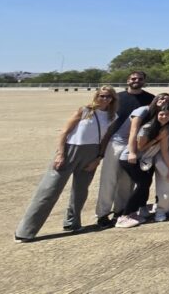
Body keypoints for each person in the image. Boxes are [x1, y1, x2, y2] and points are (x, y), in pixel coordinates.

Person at [16, 87, 118, 242]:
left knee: (80, 192)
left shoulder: (112, 116)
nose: (105, 99)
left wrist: (98, 158)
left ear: (113, 99)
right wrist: (60, 154)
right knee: (49, 190)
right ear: (96, 96)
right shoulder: (84, 110)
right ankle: (25, 231)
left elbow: (105, 139)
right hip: (70, 150)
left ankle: (72, 223)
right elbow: (64, 132)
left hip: (91, 153)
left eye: (109, 97)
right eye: (102, 96)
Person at [94, 71, 153, 228]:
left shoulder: (150, 99)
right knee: (108, 179)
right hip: (115, 142)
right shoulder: (116, 98)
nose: (136, 80)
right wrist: (102, 147)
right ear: (128, 80)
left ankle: (120, 211)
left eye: (140, 79)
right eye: (133, 78)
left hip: (135, 145)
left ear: (144, 81)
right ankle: (102, 214)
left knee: (126, 182)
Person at [115, 105, 169, 228]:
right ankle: (123, 216)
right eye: (161, 114)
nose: (164, 116)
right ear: (156, 115)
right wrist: (157, 138)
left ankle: (133, 213)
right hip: (129, 159)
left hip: (142, 160)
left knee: (145, 184)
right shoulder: (147, 128)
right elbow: (140, 148)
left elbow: (164, 150)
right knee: (142, 184)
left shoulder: (164, 128)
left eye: (167, 114)